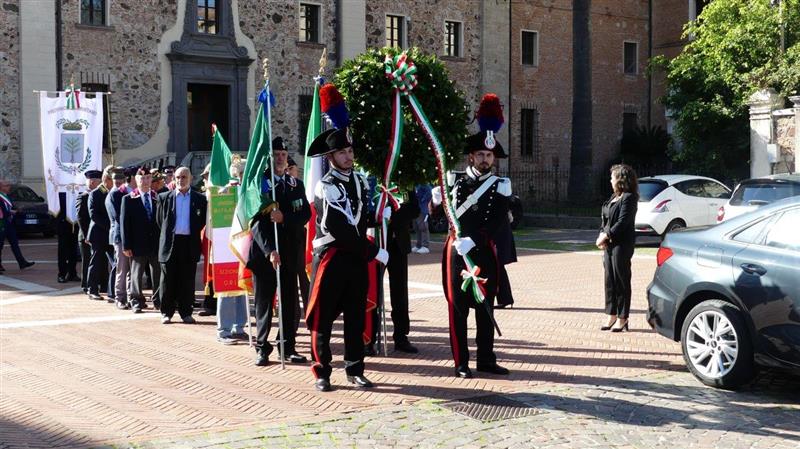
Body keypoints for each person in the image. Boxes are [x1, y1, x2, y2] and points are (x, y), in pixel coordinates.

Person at [304, 123, 388, 392]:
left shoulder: (360, 181)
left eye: (350, 151)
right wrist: (374, 251)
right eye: (342, 152)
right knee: (323, 317)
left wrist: (381, 215)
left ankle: (354, 369)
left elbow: (361, 220)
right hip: (333, 257)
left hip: (356, 259)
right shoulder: (325, 187)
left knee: (355, 315)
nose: (348, 157)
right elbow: (340, 229)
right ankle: (322, 372)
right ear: (330, 158)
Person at [441, 129, 511, 379]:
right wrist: (436, 202)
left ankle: (486, 359)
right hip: (457, 253)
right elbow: (440, 218)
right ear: (471, 157)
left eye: (489, 155)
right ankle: (461, 362)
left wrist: (475, 240)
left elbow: (498, 221)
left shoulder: (501, 185)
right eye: (480, 154)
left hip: (482, 252)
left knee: (485, 308)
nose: (485, 159)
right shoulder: (452, 181)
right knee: (458, 309)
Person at [249, 137, 311, 364]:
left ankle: (287, 346)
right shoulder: (260, 185)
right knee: (264, 303)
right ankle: (262, 348)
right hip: (266, 254)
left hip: (290, 254)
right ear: (269, 158)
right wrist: (270, 250)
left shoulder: (296, 185)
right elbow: (255, 223)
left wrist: (284, 218)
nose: (280, 158)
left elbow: (305, 214)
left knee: (289, 303)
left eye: (283, 155)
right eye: (276, 154)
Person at [366, 188, 420, 355]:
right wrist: (381, 216)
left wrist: (394, 215)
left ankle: (401, 337)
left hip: (399, 244)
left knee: (400, 294)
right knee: (372, 292)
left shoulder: (403, 184)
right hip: (376, 244)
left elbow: (415, 209)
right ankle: (369, 338)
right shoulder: (372, 183)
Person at [156, 166, 207, 324]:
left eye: (184, 177)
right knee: (167, 280)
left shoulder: (200, 199)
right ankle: (166, 312)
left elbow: (201, 221)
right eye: (178, 177)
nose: (180, 180)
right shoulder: (164, 197)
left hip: (189, 243)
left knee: (187, 280)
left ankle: (186, 312)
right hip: (170, 243)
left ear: (191, 178)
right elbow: (159, 221)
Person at [597, 164, 638, 333]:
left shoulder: (629, 198)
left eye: (613, 177)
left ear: (621, 179)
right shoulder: (613, 197)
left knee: (621, 280)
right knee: (609, 280)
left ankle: (623, 317)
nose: (610, 179)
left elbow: (623, 222)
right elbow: (605, 220)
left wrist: (606, 235)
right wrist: (602, 235)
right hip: (609, 243)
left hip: (622, 244)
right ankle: (611, 314)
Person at [122, 168, 161, 313]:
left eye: (148, 178)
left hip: (155, 244)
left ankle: (158, 300)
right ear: (136, 181)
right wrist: (126, 245)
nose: (145, 182)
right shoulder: (129, 199)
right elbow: (124, 224)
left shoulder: (157, 197)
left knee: (157, 273)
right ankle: (136, 300)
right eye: (142, 179)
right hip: (137, 244)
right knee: (136, 275)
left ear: (151, 180)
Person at [86, 166, 115, 301]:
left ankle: (112, 291)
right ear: (106, 179)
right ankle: (92, 289)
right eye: (112, 179)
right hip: (98, 233)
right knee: (96, 262)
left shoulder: (114, 192)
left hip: (110, 234)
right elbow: (94, 215)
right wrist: (110, 226)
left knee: (114, 262)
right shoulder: (96, 193)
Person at [105, 167, 131, 309]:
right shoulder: (113, 195)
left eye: (121, 179)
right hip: (119, 236)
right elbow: (118, 217)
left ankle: (128, 296)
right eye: (116, 179)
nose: (118, 181)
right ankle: (119, 298)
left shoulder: (125, 192)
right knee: (121, 268)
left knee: (129, 268)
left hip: (127, 235)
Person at [0, 180, 35, 272]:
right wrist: (12, 212)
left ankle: (22, 262)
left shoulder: (7, 196)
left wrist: (17, 210)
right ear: (1, 187)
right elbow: (3, 211)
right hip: (2, 223)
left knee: (15, 244)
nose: (9, 187)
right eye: (7, 185)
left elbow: (10, 207)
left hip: (9, 223)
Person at [76, 171, 100, 294]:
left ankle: (97, 282)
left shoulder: (99, 195)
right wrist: (86, 235)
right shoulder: (83, 196)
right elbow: (80, 218)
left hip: (96, 234)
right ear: (92, 182)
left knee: (95, 260)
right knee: (87, 261)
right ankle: (85, 284)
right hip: (86, 235)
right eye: (98, 181)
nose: (100, 183)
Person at [494, 212, 517, 309]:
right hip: (500, 236)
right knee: (498, 268)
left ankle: (505, 299)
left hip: (498, 238)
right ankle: (505, 298)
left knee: (497, 268)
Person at [55, 191, 79, 282]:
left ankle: (72, 273)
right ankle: (61, 274)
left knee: (73, 251)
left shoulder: (76, 191)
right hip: (63, 225)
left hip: (74, 225)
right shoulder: (60, 193)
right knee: (63, 252)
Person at [411, 184, 432, 254]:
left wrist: (422, 200)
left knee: (423, 227)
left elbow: (429, 192)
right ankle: (418, 245)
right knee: (416, 227)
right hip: (415, 209)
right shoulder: (413, 183)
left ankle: (425, 246)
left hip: (422, 209)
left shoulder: (423, 182)